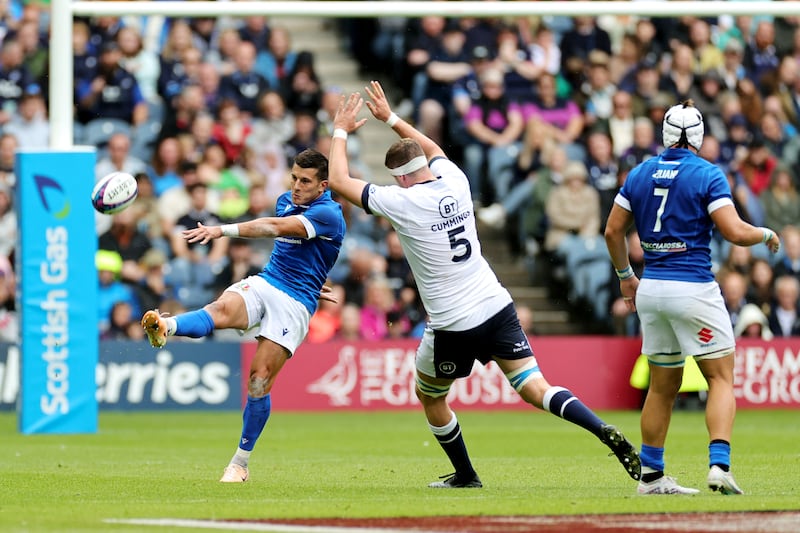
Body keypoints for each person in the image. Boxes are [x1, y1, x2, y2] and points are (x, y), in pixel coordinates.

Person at [328, 81, 640, 489]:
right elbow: (430, 148)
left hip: (452, 324)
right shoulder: (454, 180)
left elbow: (337, 180)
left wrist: (339, 130)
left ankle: (466, 474)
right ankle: (600, 429)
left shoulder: (400, 202)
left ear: (399, 179)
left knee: (431, 396)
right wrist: (391, 119)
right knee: (535, 387)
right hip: (496, 305)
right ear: (425, 165)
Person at [604, 100, 782, 496]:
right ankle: (719, 465)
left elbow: (613, 232)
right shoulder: (707, 173)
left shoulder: (640, 172)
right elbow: (734, 232)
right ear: (699, 136)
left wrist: (625, 278)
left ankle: (651, 476)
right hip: (693, 288)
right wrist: (766, 233)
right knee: (720, 377)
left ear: (664, 133)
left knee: (661, 386)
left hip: (651, 289)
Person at [140, 148, 345, 483]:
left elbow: (272, 227)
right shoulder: (285, 199)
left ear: (323, 185)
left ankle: (240, 463)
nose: (296, 186)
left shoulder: (329, 214)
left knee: (259, 380)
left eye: (305, 181)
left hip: (294, 304)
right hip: (268, 280)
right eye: (294, 177)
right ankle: (166, 325)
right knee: (219, 309)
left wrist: (221, 230)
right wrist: (314, 273)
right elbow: (298, 247)